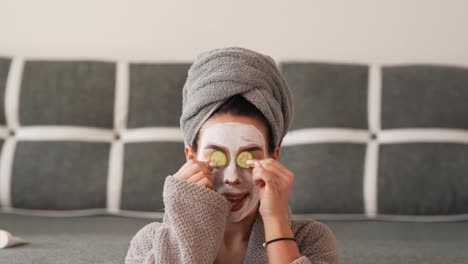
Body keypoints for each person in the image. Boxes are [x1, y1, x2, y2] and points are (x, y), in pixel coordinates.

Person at [125, 47, 339, 264]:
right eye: (217, 157)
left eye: (247, 159)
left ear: (272, 157)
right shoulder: (149, 242)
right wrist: (186, 216)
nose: (232, 177)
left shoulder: (312, 240)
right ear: (191, 157)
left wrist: (275, 220)